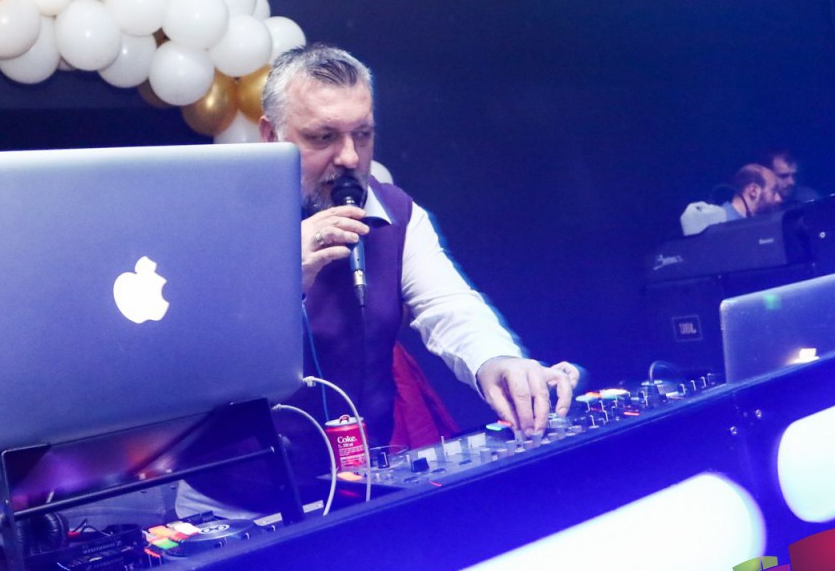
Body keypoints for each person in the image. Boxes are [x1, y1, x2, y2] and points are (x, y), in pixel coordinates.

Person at [178, 45, 580, 517]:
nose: (349, 157)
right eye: (323, 137)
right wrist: (281, 277)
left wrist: (498, 360)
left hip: (360, 488)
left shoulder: (397, 213)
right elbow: (194, 364)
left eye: (363, 135)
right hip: (232, 505)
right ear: (271, 136)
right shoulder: (215, 221)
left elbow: (450, 308)